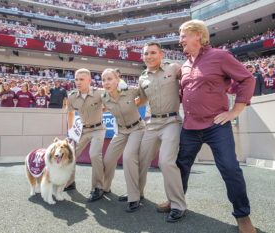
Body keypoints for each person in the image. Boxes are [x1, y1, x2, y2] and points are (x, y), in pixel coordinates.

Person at [176, 19, 256, 233]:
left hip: (216, 126)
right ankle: (177, 202)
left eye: (183, 34)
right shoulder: (184, 64)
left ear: (198, 36)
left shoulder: (220, 56)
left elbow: (247, 79)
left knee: (230, 168)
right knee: (180, 167)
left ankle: (243, 215)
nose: (180, 39)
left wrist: (236, 110)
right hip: (190, 127)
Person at [138, 42, 187, 222]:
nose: (149, 56)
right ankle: (136, 195)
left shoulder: (174, 68)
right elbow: (141, 100)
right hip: (152, 124)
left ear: (161, 54)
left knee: (166, 162)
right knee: (140, 160)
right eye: (145, 54)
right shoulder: (142, 77)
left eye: (152, 53)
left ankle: (177, 205)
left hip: (171, 122)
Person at [100, 68, 145, 212]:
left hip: (137, 128)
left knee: (128, 157)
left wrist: (138, 103)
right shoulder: (104, 98)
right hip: (121, 131)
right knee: (108, 159)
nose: (106, 83)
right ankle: (104, 188)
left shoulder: (130, 91)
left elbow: (146, 94)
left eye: (110, 79)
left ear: (117, 80)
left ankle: (134, 197)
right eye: (104, 80)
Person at [66, 68, 106, 202]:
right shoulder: (71, 96)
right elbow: (70, 113)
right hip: (82, 130)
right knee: (71, 154)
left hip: (98, 129)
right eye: (76, 79)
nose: (78, 82)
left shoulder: (99, 94)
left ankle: (98, 188)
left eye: (81, 79)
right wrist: (70, 132)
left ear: (89, 80)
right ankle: (69, 182)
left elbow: (110, 106)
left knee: (94, 154)